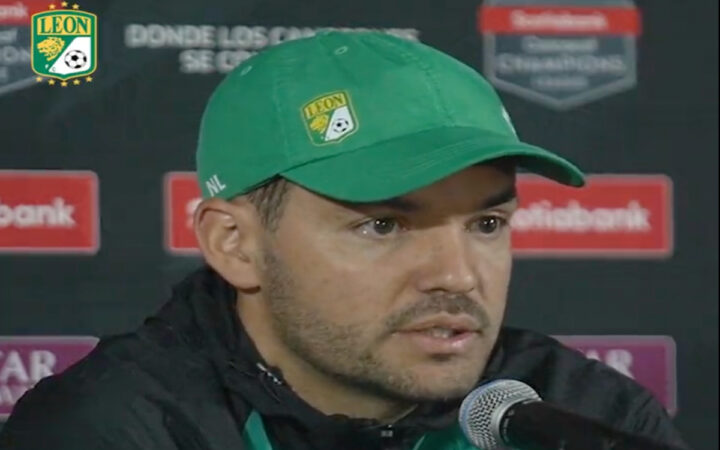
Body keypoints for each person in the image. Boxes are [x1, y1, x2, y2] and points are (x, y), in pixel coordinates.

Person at [0, 31, 688, 450]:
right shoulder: (112, 430)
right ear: (235, 244)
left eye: (486, 224)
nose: (457, 276)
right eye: (382, 225)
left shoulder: (584, 419)